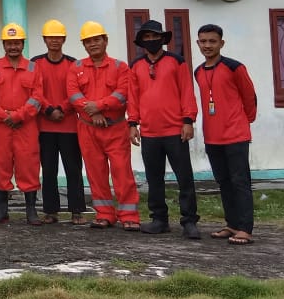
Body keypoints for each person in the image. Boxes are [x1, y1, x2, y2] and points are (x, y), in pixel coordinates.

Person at [128, 20, 201, 239]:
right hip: (149, 132)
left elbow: (187, 91)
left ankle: (189, 221)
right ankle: (159, 219)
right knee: (154, 179)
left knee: (184, 178)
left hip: (175, 130)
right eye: (146, 38)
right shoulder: (136, 65)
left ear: (162, 38)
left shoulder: (177, 62)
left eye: (154, 37)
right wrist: (132, 124)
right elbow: (133, 97)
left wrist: (188, 120)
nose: (150, 41)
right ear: (141, 41)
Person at [66, 21, 140, 231]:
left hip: (115, 128)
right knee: (95, 173)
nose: (92, 44)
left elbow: (122, 94)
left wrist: (98, 106)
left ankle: (129, 215)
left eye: (96, 40)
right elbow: (73, 94)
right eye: (88, 41)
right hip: (88, 128)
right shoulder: (77, 67)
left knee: (121, 172)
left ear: (105, 41)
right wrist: (93, 112)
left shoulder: (120, 67)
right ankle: (104, 214)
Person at [194, 23, 258, 246]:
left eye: (212, 41)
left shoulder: (234, 67)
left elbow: (249, 97)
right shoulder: (199, 71)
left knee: (240, 182)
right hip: (212, 136)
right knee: (223, 182)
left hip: (235, 135)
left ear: (222, 43)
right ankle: (231, 224)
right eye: (203, 41)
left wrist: (244, 121)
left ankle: (245, 228)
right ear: (197, 44)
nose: (207, 45)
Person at [0, 23, 45, 226]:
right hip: (0, 126)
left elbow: (37, 97)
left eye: (17, 43)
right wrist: (4, 116)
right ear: (3, 44)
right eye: (9, 43)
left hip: (25, 126)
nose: (13, 47)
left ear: (22, 44)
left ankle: (31, 211)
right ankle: (2, 211)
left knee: (28, 165)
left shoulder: (33, 68)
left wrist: (18, 116)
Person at [32, 19, 85, 225]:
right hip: (45, 126)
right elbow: (35, 91)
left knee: (73, 169)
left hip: (69, 125)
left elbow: (76, 91)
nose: (54, 41)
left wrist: (62, 108)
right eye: (50, 37)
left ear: (64, 39)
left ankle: (77, 211)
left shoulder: (73, 64)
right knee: (49, 169)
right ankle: (50, 211)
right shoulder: (35, 63)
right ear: (45, 40)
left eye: (58, 37)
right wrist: (48, 109)